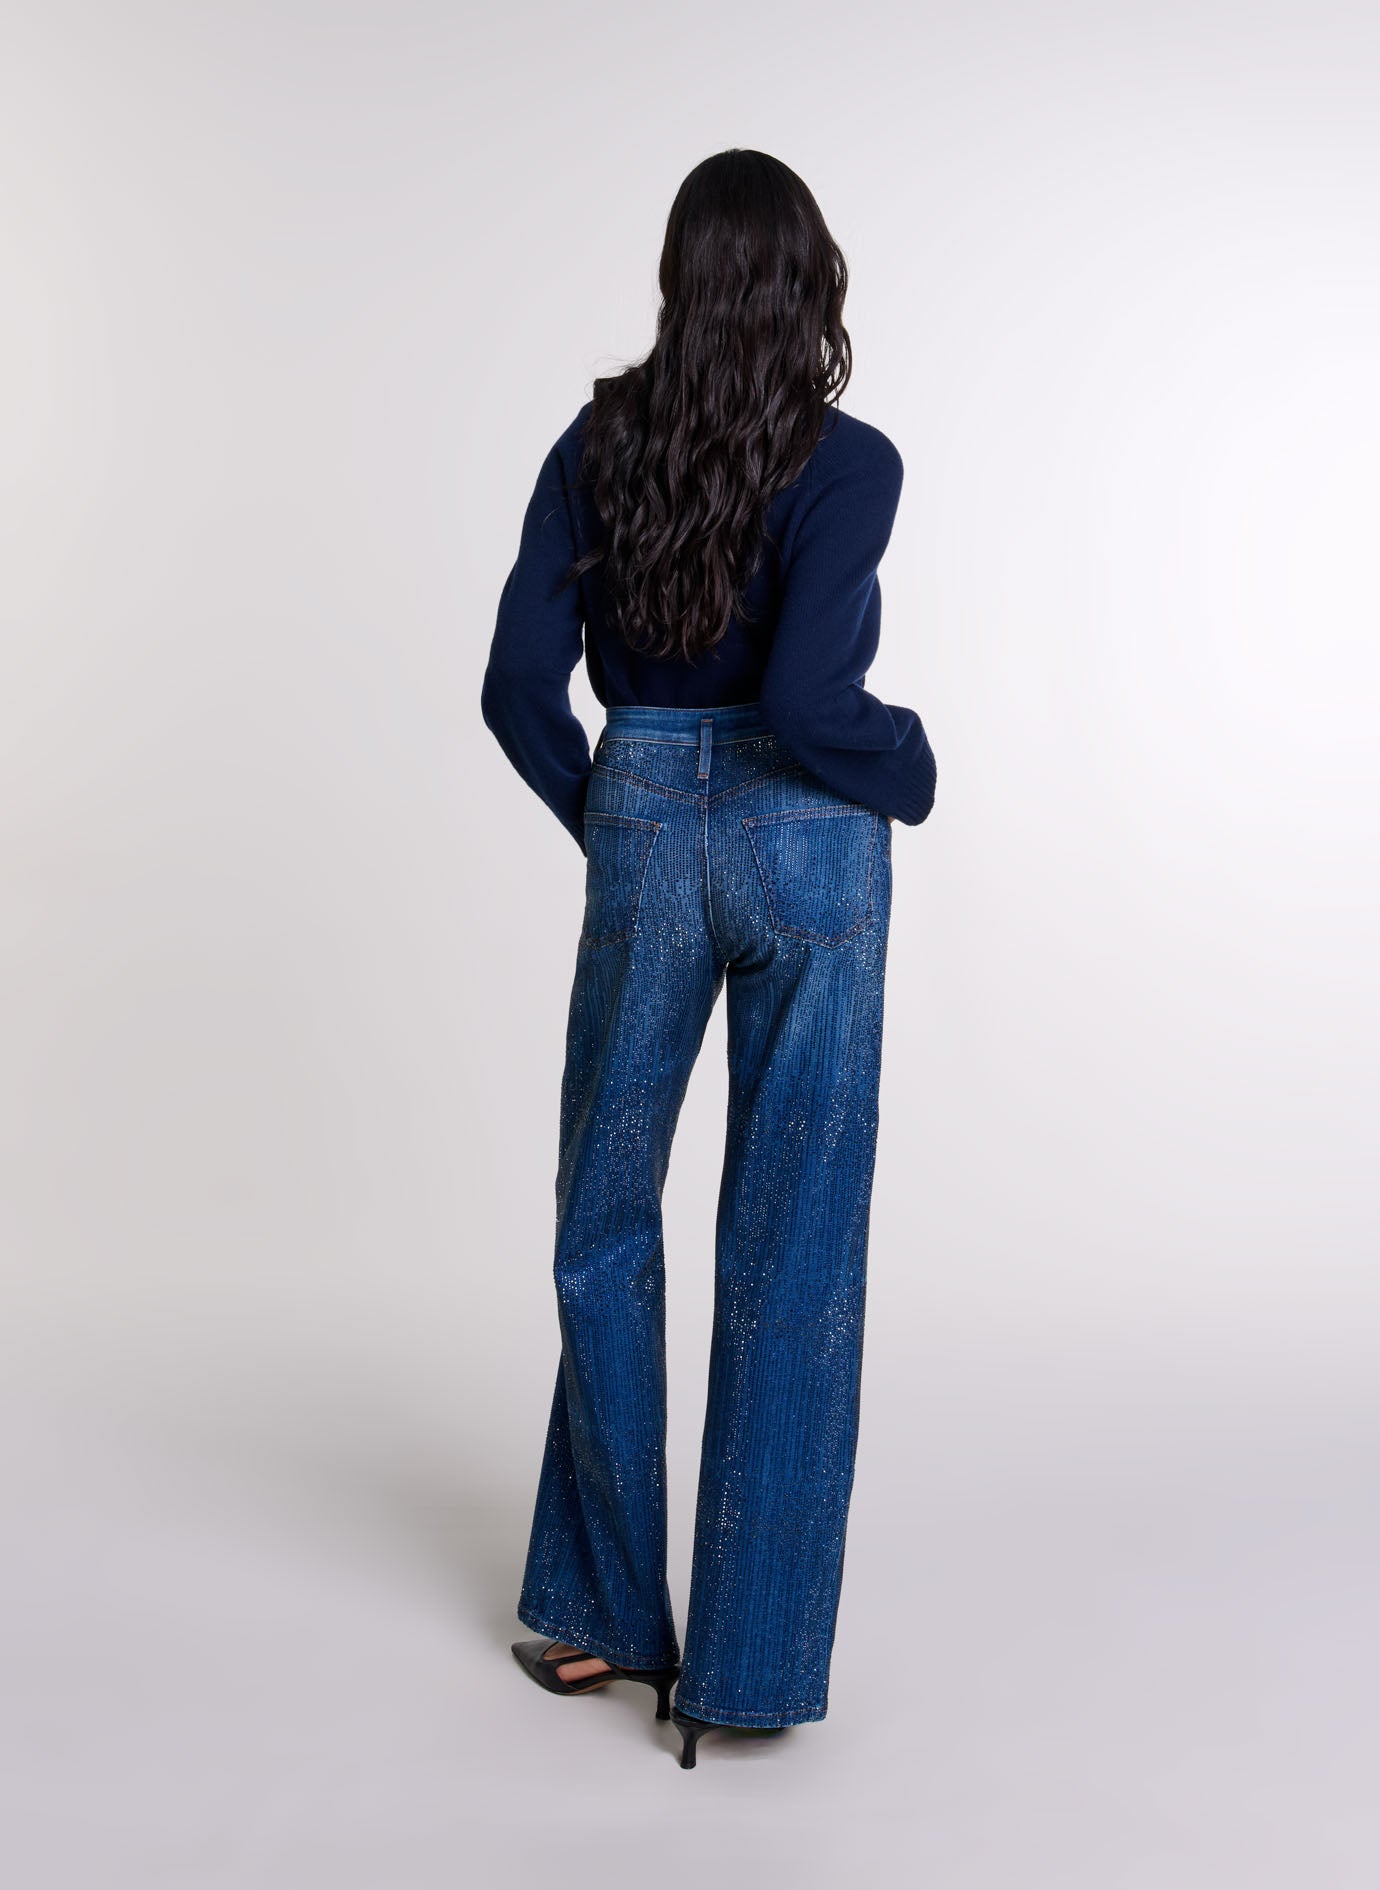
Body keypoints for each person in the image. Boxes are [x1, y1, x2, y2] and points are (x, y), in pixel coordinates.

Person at [481, 148, 937, 1768]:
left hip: (648, 818)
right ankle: (747, 1671)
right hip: (813, 844)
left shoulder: (595, 443)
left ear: (677, 278)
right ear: (809, 282)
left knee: (605, 1220)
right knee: (795, 1246)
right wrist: (908, 761)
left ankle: (608, 1618)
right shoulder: (854, 462)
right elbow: (814, 702)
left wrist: (618, 816)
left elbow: (516, 685)